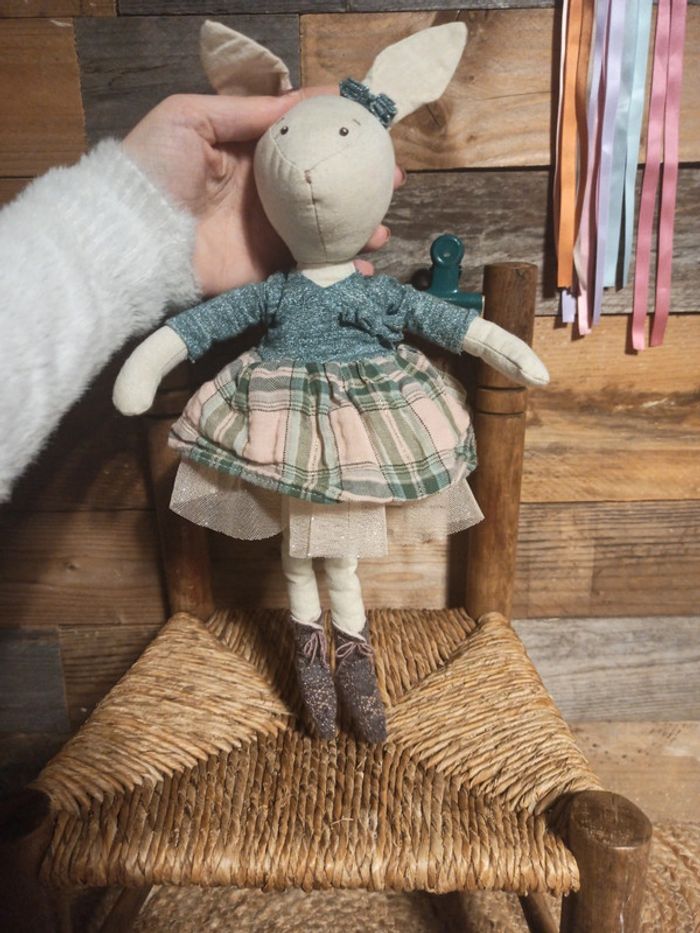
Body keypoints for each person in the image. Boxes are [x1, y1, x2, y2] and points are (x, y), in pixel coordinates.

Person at [0, 89, 398, 502]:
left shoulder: (358, 293)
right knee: (290, 497)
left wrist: (139, 215)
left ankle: (335, 547)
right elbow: (204, 324)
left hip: (358, 402)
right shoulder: (274, 293)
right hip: (282, 408)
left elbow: (426, 313)